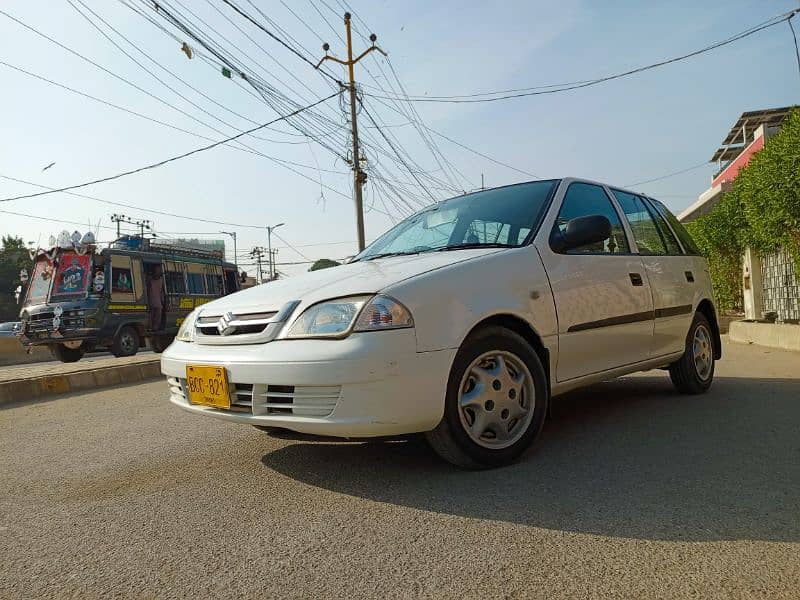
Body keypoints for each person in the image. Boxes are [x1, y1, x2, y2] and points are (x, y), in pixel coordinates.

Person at [147, 265, 166, 331]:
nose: (159, 271)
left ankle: (155, 328)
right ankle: (152, 328)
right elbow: (148, 290)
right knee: (152, 317)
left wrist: (163, 300)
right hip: (151, 302)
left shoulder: (161, 280)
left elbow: (162, 292)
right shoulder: (150, 279)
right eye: (157, 270)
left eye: (159, 270)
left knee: (157, 318)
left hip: (158, 303)